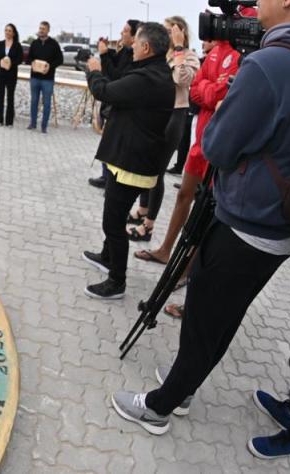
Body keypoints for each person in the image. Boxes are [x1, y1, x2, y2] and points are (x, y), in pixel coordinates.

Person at [112, 0, 290, 459]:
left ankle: (162, 403)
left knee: (206, 314)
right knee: (224, 312)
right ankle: (185, 379)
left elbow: (219, 146)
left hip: (247, 220)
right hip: (284, 225)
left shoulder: (270, 64)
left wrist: (224, 101)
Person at [81, 22, 175, 299]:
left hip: (131, 165)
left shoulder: (149, 78)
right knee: (116, 215)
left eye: (135, 42)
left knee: (112, 223)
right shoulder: (152, 72)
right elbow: (119, 85)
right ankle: (107, 256)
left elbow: (105, 91)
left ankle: (116, 281)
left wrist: (95, 71)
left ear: (146, 47)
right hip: (126, 158)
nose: (131, 45)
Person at [131, 37, 240, 267]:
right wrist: (208, 91)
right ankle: (165, 250)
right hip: (200, 140)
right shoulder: (213, 53)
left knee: (204, 207)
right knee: (184, 195)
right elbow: (196, 94)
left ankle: (188, 269)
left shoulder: (236, 54)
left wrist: (206, 89)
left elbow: (215, 93)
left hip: (218, 142)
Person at [127, 17, 201, 244]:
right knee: (146, 164)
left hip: (174, 114)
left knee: (157, 172)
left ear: (180, 33)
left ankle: (148, 226)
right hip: (155, 113)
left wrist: (178, 48)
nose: (166, 34)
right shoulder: (162, 55)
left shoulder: (187, 56)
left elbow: (181, 78)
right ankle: (142, 209)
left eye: (170, 31)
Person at [89, 20, 140, 187]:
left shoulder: (134, 56)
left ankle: (110, 180)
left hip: (118, 105)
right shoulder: (125, 50)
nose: (121, 34)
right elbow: (115, 62)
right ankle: (106, 176)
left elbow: (116, 76)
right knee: (107, 141)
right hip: (111, 104)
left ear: (134, 36)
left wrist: (103, 56)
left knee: (113, 144)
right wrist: (106, 51)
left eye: (125, 31)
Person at [25, 21, 64, 133]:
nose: (41, 30)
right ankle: (32, 124)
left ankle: (44, 126)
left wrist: (50, 66)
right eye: (40, 28)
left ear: (48, 30)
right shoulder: (34, 43)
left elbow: (60, 60)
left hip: (48, 79)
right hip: (35, 78)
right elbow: (28, 58)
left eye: (43, 29)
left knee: (47, 103)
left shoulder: (54, 44)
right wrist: (32, 63)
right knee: (34, 101)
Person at [0, 23, 23, 126]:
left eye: (9, 31)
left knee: (10, 97)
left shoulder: (17, 45)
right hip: (0, 74)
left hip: (11, 74)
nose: (7, 32)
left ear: (13, 33)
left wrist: (10, 63)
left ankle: (9, 121)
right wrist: (0, 61)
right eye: (6, 30)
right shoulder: (0, 44)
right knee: (0, 96)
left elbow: (20, 59)